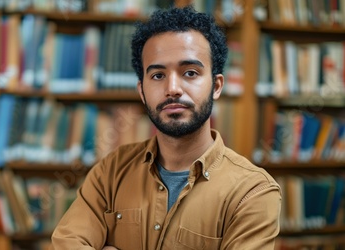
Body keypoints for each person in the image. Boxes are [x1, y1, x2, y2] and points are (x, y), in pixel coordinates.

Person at [51, 6, 281, 250]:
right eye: (158, 76)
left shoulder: (253, 192)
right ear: (142, 91)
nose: (173, 88)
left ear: (216, 85)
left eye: (190, 73)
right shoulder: (111, 171)